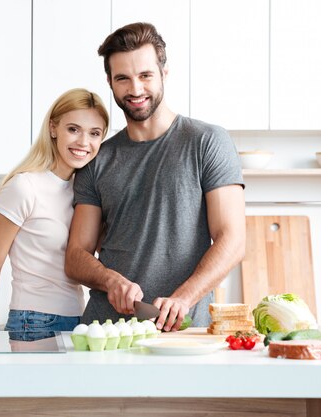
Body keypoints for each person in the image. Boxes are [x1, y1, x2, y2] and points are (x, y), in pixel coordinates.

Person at [65, 22, 246, 332]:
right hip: (107, 334)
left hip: (184, 332)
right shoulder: (97, 159)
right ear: (110, 83)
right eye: (123, 78)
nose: (135, 90)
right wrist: (110, 280)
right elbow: (76, 256)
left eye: (145, 75)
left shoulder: (207, 141)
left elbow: (233, 239)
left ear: (164, 73)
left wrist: (183, 299)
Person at [0, 88, 109, 335]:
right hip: (33, 321)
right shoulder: (24, 187)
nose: (84, 142)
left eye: (94, 133)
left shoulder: (86, 196)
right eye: (73, 129)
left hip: (81, 321)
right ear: (53, 129)